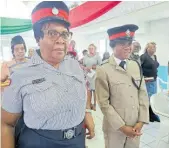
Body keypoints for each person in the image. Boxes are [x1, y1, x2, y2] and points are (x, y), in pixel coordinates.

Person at [1, 1, 95, 148]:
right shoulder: (20, 75)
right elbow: (6, 123)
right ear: (38, 38)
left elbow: (83, 90)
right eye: (52, 33)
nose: (60, 40)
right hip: (40, 143)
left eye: (64, 34)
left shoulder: (74, 65)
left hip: (77, 140)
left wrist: (86, 112)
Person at [95, 24, 149, 148]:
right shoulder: (103, 69)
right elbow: (103, 103)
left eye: (129, 44)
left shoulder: (135, 65)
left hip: (135, 125)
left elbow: (143, 94)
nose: (127, 48)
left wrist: (141, 121)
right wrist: (122, 127)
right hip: (115, 128)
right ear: (113, 46)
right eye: (122, 44)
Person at [140, 42, 160, 122]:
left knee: (153, 98)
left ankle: (152, 114)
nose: (154, 49)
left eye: (155, 47)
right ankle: (147, 115)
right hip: (147, 81)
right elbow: (139, 67)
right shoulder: (143, 56)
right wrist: (143, 77)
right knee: (147, 98)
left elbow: (156, 65)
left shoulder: (154, 56)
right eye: (152, 47)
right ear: (147, 48)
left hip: (154, 80)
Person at [83, 44, 102, 111]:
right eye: (90, 48)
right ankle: (88, 104)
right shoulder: (85, 57)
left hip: (95, 75)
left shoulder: (97, 57)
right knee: (88, 90)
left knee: (95, 91)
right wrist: (85, 68)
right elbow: (83, 65)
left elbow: (101, 66)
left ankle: (95, 105)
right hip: (88, 75)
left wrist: (94, 67)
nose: (91, 50)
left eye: (92, 48)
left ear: (95, 49)